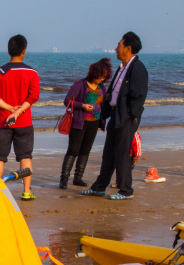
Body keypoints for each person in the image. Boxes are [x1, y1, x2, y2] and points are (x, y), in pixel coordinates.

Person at [81, 31, 148, 200]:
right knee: (109, 153)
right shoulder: (122, 67)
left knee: (122, 153)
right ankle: (99, 187)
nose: (116, 48)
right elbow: (114, 92)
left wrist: (129, 115)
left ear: (128, 48)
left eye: (119, 45)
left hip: (126, 117)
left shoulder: (138, 68)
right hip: (115, 115)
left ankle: (126, 190)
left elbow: (138, 95)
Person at [0, 34, 39, 200]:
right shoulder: (32, 72)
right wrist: (18, 111)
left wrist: (10, 108)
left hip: (3, 122)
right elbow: (33, 96)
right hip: (24, 122)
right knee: (25, 157)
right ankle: (27, 191)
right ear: (24, 51)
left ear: (9, 50)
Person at [59, 58, 112, 189]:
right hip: (79, 123)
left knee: (85, 151)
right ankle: (64, 179)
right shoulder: (80, 85)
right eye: (100, 77)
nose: (102, 80)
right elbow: (67, 101)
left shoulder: (102, 88)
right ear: (94, 73)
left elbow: (105, 103)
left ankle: (78, 178)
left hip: (94, 123)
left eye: (104, 78)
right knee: (73, 150)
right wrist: (82, 105)